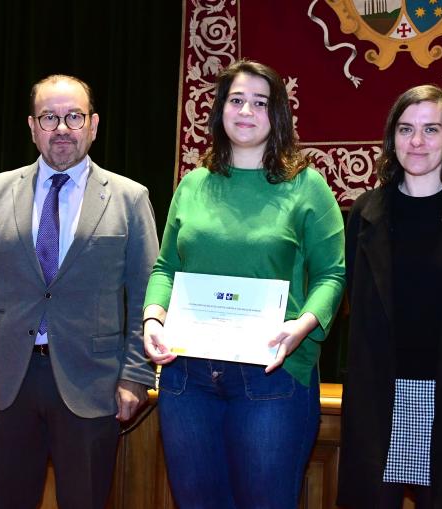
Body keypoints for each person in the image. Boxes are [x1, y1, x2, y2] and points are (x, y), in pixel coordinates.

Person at [142, 59, 345, 508]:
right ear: (220, 110)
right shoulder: (193, 184)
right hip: (187, 377)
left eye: (261, 102)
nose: (247, 111)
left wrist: (302, 327)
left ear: (278, 115)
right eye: (237, 100)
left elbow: (332, 275)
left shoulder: (307, 186)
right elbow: (165, 267)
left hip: (272, 376)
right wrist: (153, 318)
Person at [0, 74, 158, 508]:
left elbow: (147, 295)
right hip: (8, 382)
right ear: (32, 127)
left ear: (94, 125)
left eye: (73, 116)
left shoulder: (130, 198)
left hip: (94, 383)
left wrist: (136, 374)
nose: (62, 128)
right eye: (50, 117)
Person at [336, 85, 442, 508]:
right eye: (406, 129)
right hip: (383, 396)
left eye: (431, 129)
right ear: (391, 138)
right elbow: (355, 304)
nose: (417, 142)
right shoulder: (364, 213)